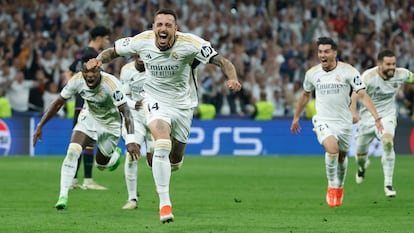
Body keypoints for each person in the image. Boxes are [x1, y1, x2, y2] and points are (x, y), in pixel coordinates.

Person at [87, 8, 241, 223]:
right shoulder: (143, 40)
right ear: (153, 27)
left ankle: (165, 164)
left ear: (176, 29)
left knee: (175, 161)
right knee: (161, 144)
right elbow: (113, 51)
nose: (163, 28)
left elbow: (222, 61)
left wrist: (232, 78)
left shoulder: (191, 44)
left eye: (168, 25)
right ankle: (165, 204)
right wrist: (98, 60)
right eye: (159, 24)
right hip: (155, 100)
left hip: (184, 106)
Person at [290, 37, 383, 208]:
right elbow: (305, 95)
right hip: (323, 119)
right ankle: (332, 185)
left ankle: (339, 186)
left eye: (326, 51)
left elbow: (362, 94)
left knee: (341, 156)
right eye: (320, 52)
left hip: (345, 122)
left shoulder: (349, 71)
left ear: (334, 53)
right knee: (331, 148)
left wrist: (376, 117)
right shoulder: (312, 73)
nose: (322, 55)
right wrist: (296, 116)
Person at [33, 64, 140, 210]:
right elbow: (58, 103)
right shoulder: (76, 81)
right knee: (72, 151)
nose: (89, 76)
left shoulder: (112, 84)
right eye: (86, 73)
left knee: (101, 165)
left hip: (110, 125)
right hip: (89, 119)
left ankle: (114, 157)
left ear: (99, 72)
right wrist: (40, 125)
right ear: (82, 73)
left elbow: (126, 112)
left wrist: (131, 140)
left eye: (93, 73)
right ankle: (62, 196)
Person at [351, 49, 413, 197]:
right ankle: (361, 167)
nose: (392, 67)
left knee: (387, 142)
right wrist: (353, 112)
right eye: (388, 64)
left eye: (394, 63)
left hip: (387, 116)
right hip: (367, 119)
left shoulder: (401, 74)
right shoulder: (368, 76)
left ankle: (388, 184)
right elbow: (354, 95)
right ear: (379, 64)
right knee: (360, 153)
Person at [66, 25, 111, 190]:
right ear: (99, 37)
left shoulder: (83, 52)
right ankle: (82, 180)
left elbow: (68, 71)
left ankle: (79, 179)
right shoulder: (90, 54)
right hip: (86, 103)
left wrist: (75, 87)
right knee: (83, 140)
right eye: (106, 38)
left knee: (86, 141)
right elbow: (72, 73)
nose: (108, 41)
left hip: (86, 102)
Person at [119, 55, 154, 210]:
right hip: (136, 117)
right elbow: (123, 96)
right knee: (132, 155)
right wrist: (135, 104)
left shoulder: (158, 67)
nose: (141, 57)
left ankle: (163, 198)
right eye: (138, 54)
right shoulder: (127, 70)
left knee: (155, 161)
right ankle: (132, 198)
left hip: (155, 116)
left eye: (145, 54)